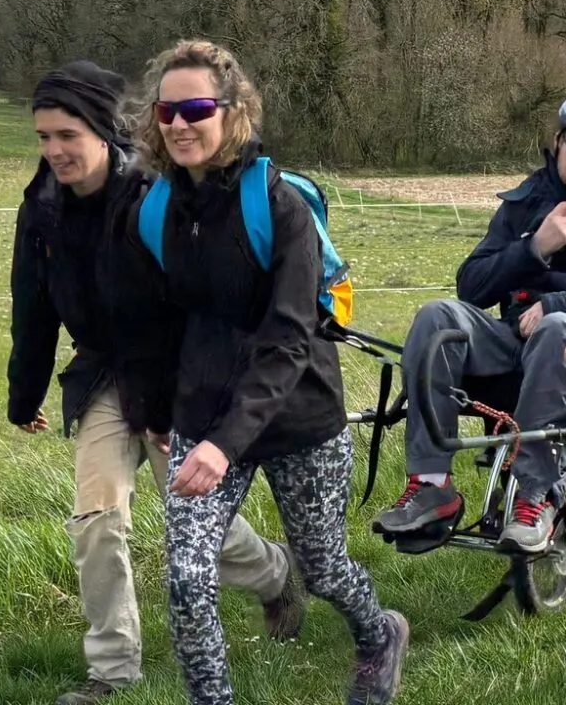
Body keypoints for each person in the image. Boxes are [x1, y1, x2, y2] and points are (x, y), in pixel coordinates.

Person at [6, 61, 302, 705]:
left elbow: (192, 300)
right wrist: (24, 395)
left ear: (102, 132)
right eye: (43, 137)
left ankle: (277, 575)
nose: (54, 150)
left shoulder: (149, 195)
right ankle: (112, 672)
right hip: (103, 377)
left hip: (175, 378)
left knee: (196, 521)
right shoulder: (42, 210)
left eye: (67, 135)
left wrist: (185, 398)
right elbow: (31, 307)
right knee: (97, 517)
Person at [140, 40, 408, 705]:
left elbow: (290, 339)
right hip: (202, 421)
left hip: (299, 419)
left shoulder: (280, 206)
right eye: (166, 110)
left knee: (322, 569)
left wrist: (223, 443)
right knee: (186, 577)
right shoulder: (154, 209)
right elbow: (159, 323)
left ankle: (379, 636)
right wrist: (160, 409)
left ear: (232, 112)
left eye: (196, 107)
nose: (179, 123)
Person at [372, 89, 566, 556]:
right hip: (514, 342)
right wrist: (534, 249)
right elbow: (472, 285)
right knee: (437, 316)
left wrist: (563, 304)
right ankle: (430, 487)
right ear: (558, 141)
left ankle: (534, 496)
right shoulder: (527, 201)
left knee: (555, 325)